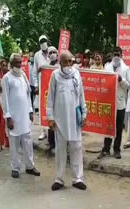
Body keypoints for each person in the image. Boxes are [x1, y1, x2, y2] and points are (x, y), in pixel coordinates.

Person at [47, 51, 87, 191]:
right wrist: (50, 118)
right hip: (60, 120)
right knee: (60, 150)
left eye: (71, 61)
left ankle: (77, 178)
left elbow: (81, 95)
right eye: (66, 61)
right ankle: (59, 178)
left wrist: (84, 113)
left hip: (75, 119)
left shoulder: (76, 74)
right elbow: (50, 98)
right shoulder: (55, 75)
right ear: (60, 63)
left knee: (76, 148)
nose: (69, 64)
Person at [1, 53, 41, 178]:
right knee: (14, 143)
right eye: (17, 63)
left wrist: (30, 111)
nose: (20, 65)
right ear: (12, 64)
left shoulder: (23, 75)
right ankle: (15, 167)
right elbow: (5, 99)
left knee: (27, 141)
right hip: (13, 117)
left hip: (24, 115)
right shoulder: (6, 78)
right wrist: (8, 117)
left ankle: (30, 166)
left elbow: (28, 95)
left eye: (20, 62)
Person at [98, 47, 130, 159]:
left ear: (121, 55)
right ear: (112, 54)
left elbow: (129, 85)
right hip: (108, 102)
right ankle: (106, 149)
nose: (117, 56)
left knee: (118, 128)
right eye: (115, 54)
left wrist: (121, 80)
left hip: (120, 102)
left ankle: (116, 149)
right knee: (108, 127)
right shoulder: (107, 67)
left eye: (119, 54)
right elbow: (102, 80)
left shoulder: (126, 68)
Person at [33, 35, 50, 140]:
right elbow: (34, 72)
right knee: (41, 107)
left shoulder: (52, 52)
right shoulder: (37, 55)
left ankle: (51, 130)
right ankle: (43, 131)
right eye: (41, 41)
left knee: (50, 107)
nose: (43, 42)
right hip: (41, 84)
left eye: (44, 40)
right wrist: (36, 86)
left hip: (51, 84)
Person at [0, 60, 10, 152]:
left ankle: (8, 142)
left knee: (9, 121)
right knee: (2, 122)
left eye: (6, 65)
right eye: (3, 65)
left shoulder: (9, 76)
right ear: (0, 67)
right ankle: (0, 144)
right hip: (1, 101)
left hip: (10, 101)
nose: (5, 67)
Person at [47, 46, 59, 155]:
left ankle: (58, 143)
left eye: (54, 52)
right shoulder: (46, 66)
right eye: (50, 52)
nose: (52, 54)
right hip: (49, 97)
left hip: (59, 99)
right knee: (50, 121)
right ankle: (51, 143)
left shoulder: (60, 67)